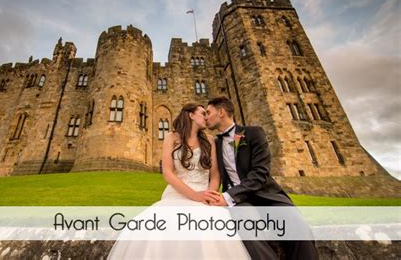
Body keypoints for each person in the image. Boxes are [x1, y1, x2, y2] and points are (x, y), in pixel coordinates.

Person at [107, 103, 251, 259]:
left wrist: (210, 195)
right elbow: (168, 173)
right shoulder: (171, 137)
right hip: (177, 195)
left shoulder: (210, 141)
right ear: (191, 115)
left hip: (205, 196)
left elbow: (215, 174)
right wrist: (194, 195)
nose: (207, 117)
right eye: (203, 113)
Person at [205, 96, 319, 260]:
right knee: (249, 228)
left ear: (221, 112)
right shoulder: (215, 143)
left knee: (297, 225)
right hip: (239, 201)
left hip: (266, 195)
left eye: (208, 112)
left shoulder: (254, 134)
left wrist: (228, 196)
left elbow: (260, 173)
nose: (206, 117)